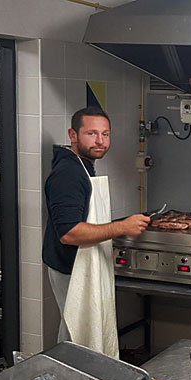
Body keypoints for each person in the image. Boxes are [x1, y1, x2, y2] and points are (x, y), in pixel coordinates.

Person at [42, 107, 150, 359]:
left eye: (105, 134)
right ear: (73, 135)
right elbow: (69, 232)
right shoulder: (67, 174)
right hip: (71, 267)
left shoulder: (83, 165)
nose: (100, 141)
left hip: (85, 263)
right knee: (77, 337)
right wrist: (122, 227)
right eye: (91, 133)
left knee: (82, 335)